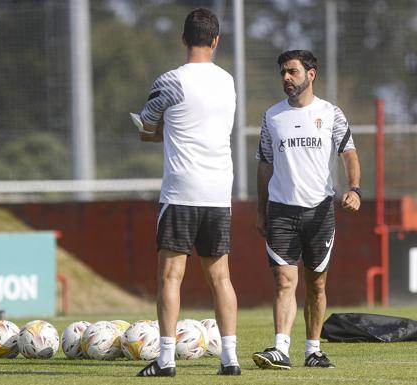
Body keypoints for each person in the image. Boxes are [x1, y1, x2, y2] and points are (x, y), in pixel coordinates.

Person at [135, 8, 240, 377]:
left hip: (181, 191)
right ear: (215, 40)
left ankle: (166, 359)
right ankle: (230, 358)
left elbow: (147, 127)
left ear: (184, 39)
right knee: (221, 278)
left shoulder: (170, 80)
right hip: (218, 192)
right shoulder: (228, 81)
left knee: (170, 277)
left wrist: (162, 129)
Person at [252, 50, 361, 370]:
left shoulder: (331, 113)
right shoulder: (271, 116)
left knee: (316, 283)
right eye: (283, 73)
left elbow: (349, 153)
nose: (286, 78)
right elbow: (264, 165)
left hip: (320, 211)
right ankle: (280, 349)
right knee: (284, 281)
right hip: (281, 211)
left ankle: (313, 351)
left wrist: (354, 189)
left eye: (292, 72)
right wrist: (260, 211)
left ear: (310, 74)